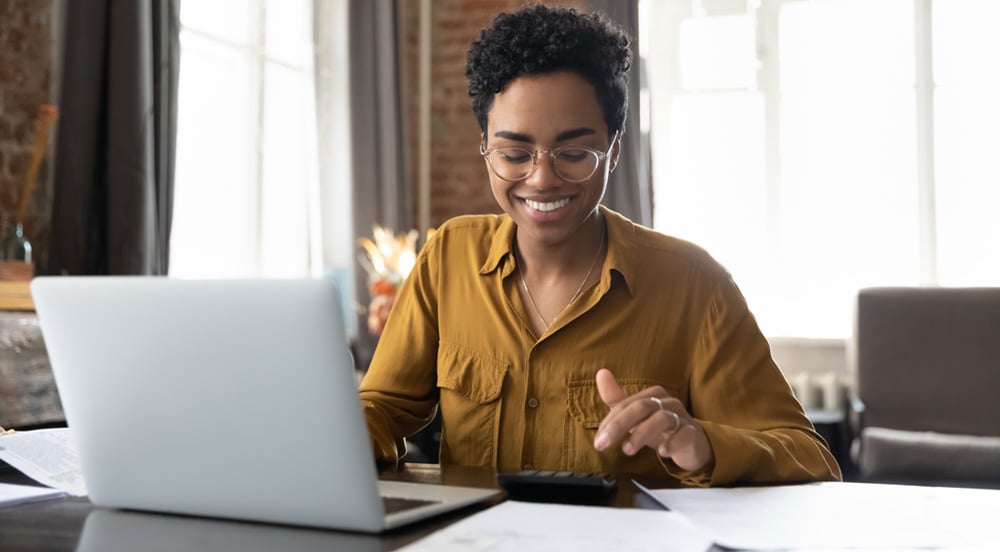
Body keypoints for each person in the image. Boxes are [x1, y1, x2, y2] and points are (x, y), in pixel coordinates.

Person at [359, 4, 840, 486]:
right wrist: (343, 431)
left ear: (613, 151)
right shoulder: (448, 257)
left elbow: (811, 459)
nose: (542, 179)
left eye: (573, 153)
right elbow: (382, 408)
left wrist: (702, 443)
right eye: (514, 153)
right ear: (485, 147)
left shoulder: (695, 285)